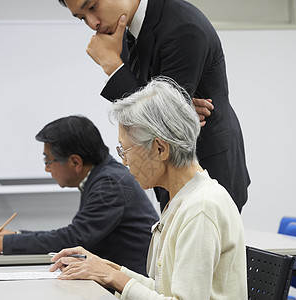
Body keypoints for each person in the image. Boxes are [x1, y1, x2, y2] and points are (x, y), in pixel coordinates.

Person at [49, 78, 247, 299]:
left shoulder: (201, 207)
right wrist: (106, 269)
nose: (124, 161)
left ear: (160, 149)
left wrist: (115, 278)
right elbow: (165, 290)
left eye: (126, 150)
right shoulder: (184, 199)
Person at [56, 0, 250, 213]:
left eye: (92, 7)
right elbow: (161, 113)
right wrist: (175, 109)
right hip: (168, 169)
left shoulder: (182, 26)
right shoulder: (127, 32)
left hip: (207, 169)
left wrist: (113, 66)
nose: (93, 23)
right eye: (82, 18)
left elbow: (160, 121)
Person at [0, 115, 158, 276]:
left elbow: (74, 238)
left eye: (49, 160)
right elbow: (75, 234)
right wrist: (15, 236)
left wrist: (3, 243)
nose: (46, 168)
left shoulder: (110, 183)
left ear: (75, 162)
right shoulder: (102, 176)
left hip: (132, 284)